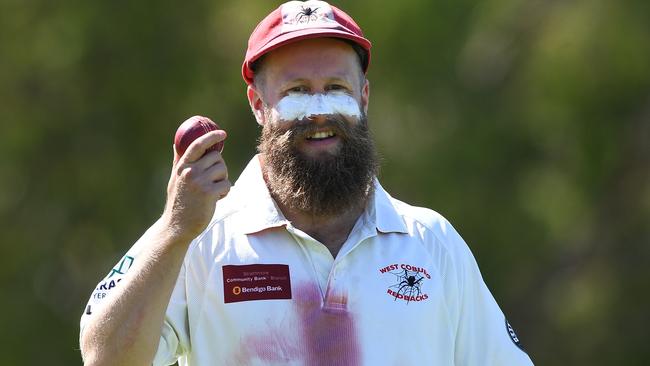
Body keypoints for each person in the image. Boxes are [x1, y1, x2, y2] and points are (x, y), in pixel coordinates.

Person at [79, 1, 534, 365]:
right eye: (296, 91)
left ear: (364, 96)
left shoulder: (432, 244)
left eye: (336, 87)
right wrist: (175, 229)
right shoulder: (200, 240)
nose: (320, 111)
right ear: (258, 103)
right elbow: (104, 359)